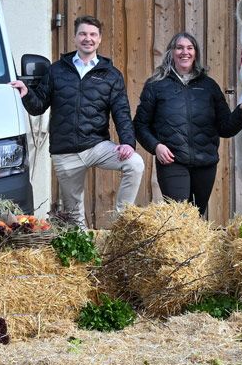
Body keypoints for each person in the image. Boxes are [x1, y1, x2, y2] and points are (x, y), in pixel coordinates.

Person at [11, 15, 144, 224]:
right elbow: (38, 107)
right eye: (83, 33)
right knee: (74, 218)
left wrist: (128, 142)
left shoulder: (111, 75)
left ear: (99, 39)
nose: (87, 38)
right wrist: (26, 92)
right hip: (65, 152)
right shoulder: (56, 70)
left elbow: (122, 113)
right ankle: (85, 254)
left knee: (135, 164)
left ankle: (121, 222)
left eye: (93, 34)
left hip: (96, 145)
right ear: (75, 38)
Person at [133, 32, 242, 219]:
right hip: (172, 161)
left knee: (195, 219)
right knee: (179, 218)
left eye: (189, 48)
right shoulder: (156, 86)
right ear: (171, 53)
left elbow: (225, 128)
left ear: (195, 53)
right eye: (179, 48)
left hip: (205, 163)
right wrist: (156, 147)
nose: (184, 52)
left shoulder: (209, 86)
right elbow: (140, 125)